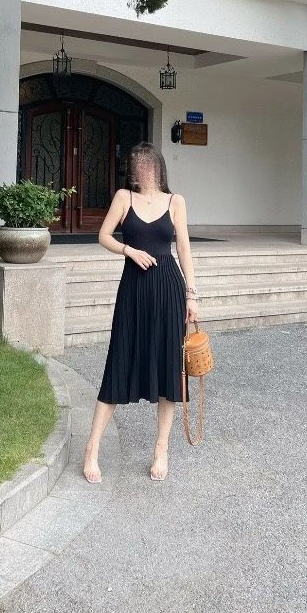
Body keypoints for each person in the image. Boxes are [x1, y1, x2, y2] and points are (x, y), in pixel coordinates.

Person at [83, 141, 199, 483]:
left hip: (169, 290)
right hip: (133, 291)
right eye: (137, 163)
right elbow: (103, 235)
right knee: (118, 361)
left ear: (158, 167)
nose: (142, 168)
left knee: (169, 368)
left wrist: (192, 295)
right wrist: (129, 251)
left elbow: (184, 248)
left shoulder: (176, 202)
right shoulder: (124, 198)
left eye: (147, 162)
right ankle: (92, 448)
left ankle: (161, 448)